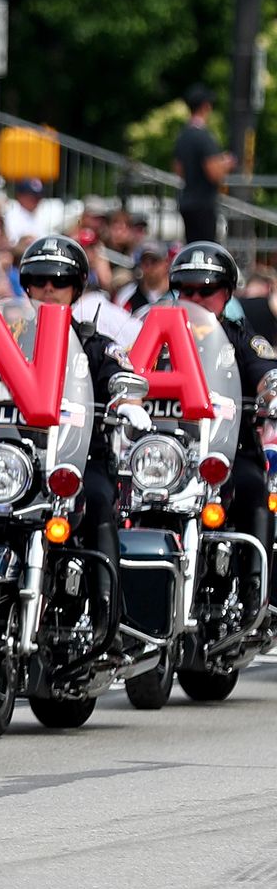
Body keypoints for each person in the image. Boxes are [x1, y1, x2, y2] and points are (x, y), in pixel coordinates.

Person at [18, 236, 150, 616]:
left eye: (59, 281)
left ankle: (107, 610)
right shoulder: (6, 340)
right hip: (16, 461)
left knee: (95, 499)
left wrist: (126, 401)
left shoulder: (95, 343)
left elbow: (117, 374)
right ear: (26, 285)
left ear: (75, 288)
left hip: (81, 457)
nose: (48, 288)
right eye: (40, 279)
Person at [168, 242, 275, 553]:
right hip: (169, 453)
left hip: (229, 452)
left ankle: (255, 586)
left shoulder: (241, 338)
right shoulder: (155, 337)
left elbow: (265, 369)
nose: (197, 298)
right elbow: (130, 375)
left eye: (208, 290)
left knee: (254, 488)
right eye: (187, 290)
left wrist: (272, 389)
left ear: (227, 293)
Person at [172, 85, 233, 244]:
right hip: (203, 203)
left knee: (191, 246)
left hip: (187, 201)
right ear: (206, 106)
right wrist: (226, 164)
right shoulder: (204, 137)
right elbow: (214, 173)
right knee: (206, 248)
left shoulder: (183, 135)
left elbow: (178, 169)